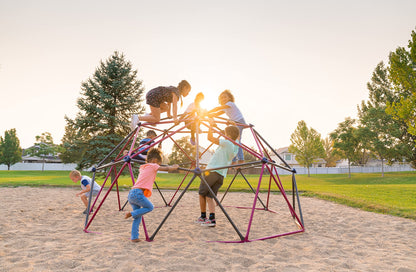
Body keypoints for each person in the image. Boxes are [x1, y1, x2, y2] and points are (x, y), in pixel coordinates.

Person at [124, 148, 179, 242]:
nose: (158, 166)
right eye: (159, 163)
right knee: (150, 207)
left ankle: (134, 237)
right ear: (154, 160)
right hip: (137, 193)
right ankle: (131, 214)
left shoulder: (143, 166)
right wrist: (174, 167)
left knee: (138, 217)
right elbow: (166, 169)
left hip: (132, 194)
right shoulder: (153, 165)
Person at [196, 119, 239, 227]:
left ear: (228, 134)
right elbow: (238, 137)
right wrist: (234, 126)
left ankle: (202, 216)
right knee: (210, 196)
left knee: (201, 193)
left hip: (212, 172)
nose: (223, 135)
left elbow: (209, 138)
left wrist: (210, 126)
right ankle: (212, 219)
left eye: (225, 133)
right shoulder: (235, 146)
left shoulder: (227, 142)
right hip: (221, 175)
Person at [208, 90, 246, 165]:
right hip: (234, 122)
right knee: (232, 140)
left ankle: (241, 159)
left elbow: (217, 109)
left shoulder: (230, 104)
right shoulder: (225, 108)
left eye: (225, 97)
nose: (223, 99)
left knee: (237, 140)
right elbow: (217, 113)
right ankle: (234, 160)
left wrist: (208, 112)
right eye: (221, 98)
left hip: (239, 122)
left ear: (229, 98)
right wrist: (210, 115)